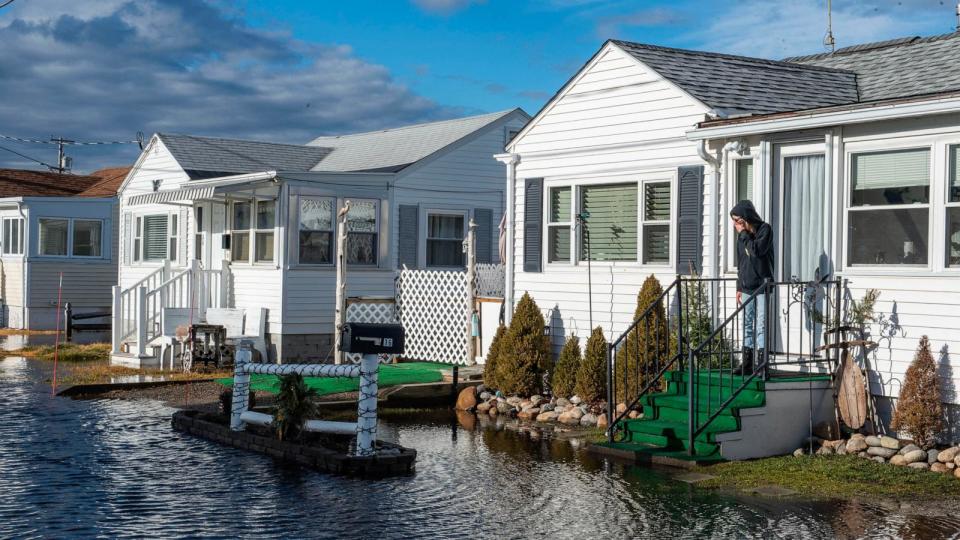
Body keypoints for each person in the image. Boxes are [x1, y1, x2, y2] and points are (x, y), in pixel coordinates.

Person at [730, 200, 774, 376]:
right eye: (734, 221)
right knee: (747, 324)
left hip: (762, 285)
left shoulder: (765, 230)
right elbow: (741, 262)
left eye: (738, 221)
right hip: (747, 286)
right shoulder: (742, 237)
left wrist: (744, 235)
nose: (736, 225)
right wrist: (739, 286)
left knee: (761, 325)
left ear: (746, 218)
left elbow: (756, 251)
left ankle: (762, 364)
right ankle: (747, 364)